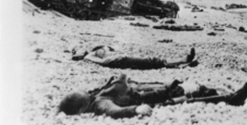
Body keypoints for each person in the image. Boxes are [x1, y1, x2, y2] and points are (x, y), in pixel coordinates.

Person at [58, 74, 247, 119]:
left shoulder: (96, 96)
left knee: (186, 88)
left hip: (146, 92)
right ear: (83, 107)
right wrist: (135, 110)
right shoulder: (101, 103)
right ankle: (231, 99)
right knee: (187, 97)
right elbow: (115, 111)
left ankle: (216, 93)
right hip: (151, 99)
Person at [71, 45, 199, 69]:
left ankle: (183, 64)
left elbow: (108, 49)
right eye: (78, 49)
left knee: (151, 63)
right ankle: (183, 60)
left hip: (119, 60)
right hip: (120, 60)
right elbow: (106, 49)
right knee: (151, 61)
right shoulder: (88, 57)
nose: (82, 48)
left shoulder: (91, 55)